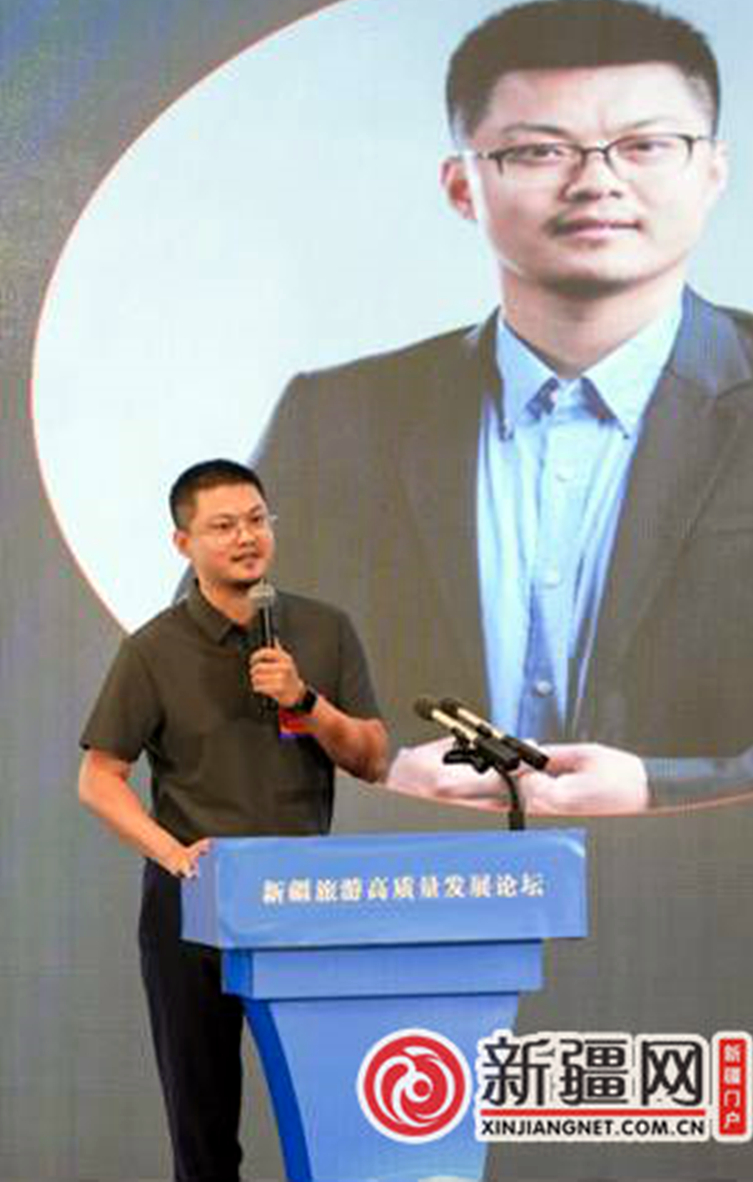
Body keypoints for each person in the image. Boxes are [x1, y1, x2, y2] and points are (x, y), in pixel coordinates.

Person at [253, 0, 753, 812]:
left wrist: (663, 791)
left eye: (646, 145)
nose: (597, 181)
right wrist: (381, 770)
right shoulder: (334, 418)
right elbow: (208, 690)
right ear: (461, 185)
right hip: (429, 879)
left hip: (733, 885)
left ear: (713, 172)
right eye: (541, 150)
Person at [78, 458, 387, 1181]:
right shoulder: (153, 649)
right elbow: (99, 778)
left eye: (256, 519)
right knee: (204, 1129)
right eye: (223, 526)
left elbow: (372, 758)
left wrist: (305, 700)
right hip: (193, 907)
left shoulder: (323, 629)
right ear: (183, 543)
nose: (246, 537)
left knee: (332, 1118)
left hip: (303, 902)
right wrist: (175, 855)